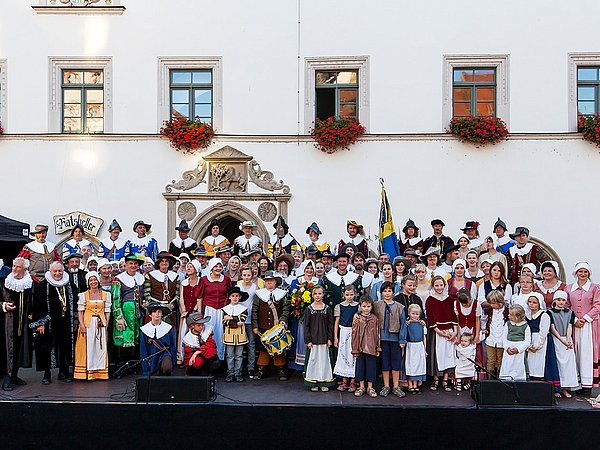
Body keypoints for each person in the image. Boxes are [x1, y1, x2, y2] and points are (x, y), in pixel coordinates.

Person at [30, 261, 75, 384]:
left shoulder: (68, 284)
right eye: (55, 271)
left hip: (65, 321)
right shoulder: (43, 285)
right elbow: (37, 305)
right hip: (49, 322)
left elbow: (76, 302)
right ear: (50, 272)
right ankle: (47, 374)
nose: (57, 273)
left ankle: (63, 372)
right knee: (47, 348)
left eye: (60, 271)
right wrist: (40, 323)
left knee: (65, 347)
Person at [565, 261, 600, 395]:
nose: (583, 274)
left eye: (585, 272)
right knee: (575, 353)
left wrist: (585, 318)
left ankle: (587, 384)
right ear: (576, 273)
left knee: (587, 353)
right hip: (574, 325)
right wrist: (574, 320)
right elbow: (566, 306)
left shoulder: (595, 288)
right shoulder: (568, 288)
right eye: (580, 271)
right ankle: (576, 382)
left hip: (589, 325)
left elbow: (597, 305)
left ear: (589, 273)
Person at [0, 257, 33, 391]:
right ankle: (6, 377)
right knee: (8, 349)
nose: (14, 269)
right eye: (13, 266)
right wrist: (3, 305)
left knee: (20, 348)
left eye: (18, 267)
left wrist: (32, 312)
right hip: (5, 323)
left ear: (24, 269)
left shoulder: (30, 283)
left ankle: (14, 375)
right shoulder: (4, 282)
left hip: (23, 322)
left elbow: (34, 301)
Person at [251, 270, 290, 381]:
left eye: (271, 280)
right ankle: (262, 369)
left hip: (277, 327)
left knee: (278, 348)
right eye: (267, 280)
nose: (269, 283)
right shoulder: (259, 294)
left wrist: (283, 320)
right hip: (263, 326)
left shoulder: (282, 294)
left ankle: (280, 369)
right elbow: (254, 311)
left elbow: (286, 309)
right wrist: (255, 326)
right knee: (263, 349)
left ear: (275, 282)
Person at [73, 272, 111, 380]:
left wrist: (106, 325)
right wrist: (82, 325)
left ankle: (99, 372)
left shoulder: (105, 294)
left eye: (95, 280)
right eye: (91, 280)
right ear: (88, 282)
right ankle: (87, 372)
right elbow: (80, 311)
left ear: (98, 281)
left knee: (100, 348)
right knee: (88, 348)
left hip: (100, 324)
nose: (93, 282)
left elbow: (107, 311)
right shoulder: (83, 295)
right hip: (87, 324)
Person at [373, 281, 407, 398]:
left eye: (389, 291)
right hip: (382, 338)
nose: (387, 293)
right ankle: (386, 386)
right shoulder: (377, 305)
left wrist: (402, 339)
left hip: (395, 338)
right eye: (385, 291)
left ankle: (396, 386)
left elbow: (403, 324)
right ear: (381, 292)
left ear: (393, 292)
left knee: (396, 363)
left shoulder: (399, 307)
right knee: (385, 363)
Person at [113, 254, 145, 370]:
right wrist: (118, 316)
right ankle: (123, 364)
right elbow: (116, 298)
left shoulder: (141, 278)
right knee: (126, 336)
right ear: (126, 265)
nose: (133, 266)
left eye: (135, 264)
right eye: (131, 263)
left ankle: (135, 364)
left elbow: (144, 294)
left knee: (137, 337)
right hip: (126, 312)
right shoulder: (119, 279)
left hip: (139, 311)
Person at [425, 276, 457, 391]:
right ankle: (435, 379)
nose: (439, 287)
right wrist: (439, 331)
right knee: (436, 355)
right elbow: (430, 317)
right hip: (437, 332)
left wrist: (455, 331)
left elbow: (453, 315)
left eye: (441, 285)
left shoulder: (449, 299)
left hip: (449, 331)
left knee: (448, 355)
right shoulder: (430, 299)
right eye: (436, 285)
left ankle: (445, 379)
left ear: (444, 285)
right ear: (433, 286)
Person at [303, 285, 336, 391]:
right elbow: (306, 326)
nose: (318, 296)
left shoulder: (327, 309)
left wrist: (330, 338)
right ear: (312, 295)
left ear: (323, 295)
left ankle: (324, 382)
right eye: (315, 293)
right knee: (314, 361)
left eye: (320, 293)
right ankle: (314, 382)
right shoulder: (309, 309)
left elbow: (330, 325)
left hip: (324, 340)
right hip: (313, 341)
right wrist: (308, 340)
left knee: (324, 361)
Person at [197, 257, 231, 361]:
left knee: (221, 333)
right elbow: (199, 297)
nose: (218, 268)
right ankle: (209, 357)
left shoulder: (226, 279)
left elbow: (230, 295)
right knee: (209, 333)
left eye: (220, 266)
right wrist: (199, 314)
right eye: (216, 266)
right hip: (209, 310)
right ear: (211, 267)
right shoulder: (204, 279)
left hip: (222, 310)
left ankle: (220, 358)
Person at [548, 291, 579, 397]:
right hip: (557, 340)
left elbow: (570, 326)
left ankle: (565, 388)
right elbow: (552, 328)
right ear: (554, 300)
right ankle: (557, 388)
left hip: (567, 340)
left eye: (563, 300)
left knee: (568, 365)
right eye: (559, 300)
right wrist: (563, 341)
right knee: (558, 364)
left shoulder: (570, 312)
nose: (561, 302)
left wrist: (568, 340)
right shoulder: (550, 312)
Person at [351, 296, 380, 398]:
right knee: (360, 367)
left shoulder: (375, 319)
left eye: (368, 306)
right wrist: (354, 348)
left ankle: (370, 387)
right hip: (360, 346)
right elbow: (354, 333)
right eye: (364, 306)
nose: (366, 308)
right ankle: (361, 386)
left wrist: (378, 347)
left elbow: (377, 334)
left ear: (371, 307)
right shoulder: (357, 318)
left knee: (371, 367)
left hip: (371, 347)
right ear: (360, 307)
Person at [140, 302, 177, 376]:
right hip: (152, 356)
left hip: (165, 354)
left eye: (159, 312)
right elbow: (143, 350)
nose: (157, 314)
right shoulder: (144, 330)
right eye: (154, 312)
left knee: (167, 368)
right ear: (150, 314)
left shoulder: (168, 328)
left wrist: (172, 362)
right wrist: (146, 370)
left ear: (162, 314)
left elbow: (173, 346)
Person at [333, 285, 359, 392]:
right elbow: (336, 322)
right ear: (343, 295)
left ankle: (353, 381)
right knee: (343, 354)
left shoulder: (358, 306)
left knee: (353, 355)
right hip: (343, 332)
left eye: (351, 294)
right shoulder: (340, 306)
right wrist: (335, 337)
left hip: (354, 332)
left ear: (355, 294)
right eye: (347, 295)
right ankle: (344, 380)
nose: (349, 297)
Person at [144, 252, 180, 326]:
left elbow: (178, 294)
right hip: (154, 310)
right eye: (162, 261)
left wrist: (171, 305)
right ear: (158, 263)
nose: (164, 263)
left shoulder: (176, 277)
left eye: (166, 261)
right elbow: (146, 294)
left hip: (170, 310)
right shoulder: (150, 276)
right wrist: (158, 305)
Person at [222, 286, 249, 383]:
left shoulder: (243, 309)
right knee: (230, 356)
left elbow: (242, 321)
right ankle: (230, 373)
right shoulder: (225, 309)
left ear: (240, 297)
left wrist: (231, 318)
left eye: (237, 296)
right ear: (229, 297)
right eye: (232, 296)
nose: (235, 298)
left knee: (239, 355)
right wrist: (235, 321)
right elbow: (225, 322)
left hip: (240, 335)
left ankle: (238, 373)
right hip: (229, 335)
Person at [177, 260, 202, 364]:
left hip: (195, 311)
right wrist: (184, 311)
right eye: (188, 266)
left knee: (196, 333)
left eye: (191, 267)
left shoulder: (200, 281)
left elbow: (200, 296)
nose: (188, 268)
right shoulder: (184, 282)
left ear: (196, 269)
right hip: (185, 311)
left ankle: (195, 357)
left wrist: (194, 310)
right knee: (183, 333)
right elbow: (181, 298)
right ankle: (181, 356)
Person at [499, 305, 531, 381]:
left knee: (518, 366)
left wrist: (518, 349)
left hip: (519, 349)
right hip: (509, 347)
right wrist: (507, 348)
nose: (508, 315)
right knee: (507, 365)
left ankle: (518, 380)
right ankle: (506, 379)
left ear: (518, 316)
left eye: (511, 314)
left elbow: (527, 340)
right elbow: (504, 337)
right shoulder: (508, 324)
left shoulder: (525, 326)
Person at [481, 290, 509, 377]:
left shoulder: (507, 311)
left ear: (500, 302)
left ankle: (500, 378)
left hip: (502, 340)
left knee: (501, 360)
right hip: (491, 339)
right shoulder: (489, 310)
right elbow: (484, 321)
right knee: (490, 360)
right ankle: (490, 380)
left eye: (493, 303)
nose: (491, 305)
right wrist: (484, 330)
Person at [525, 292, 552, 381]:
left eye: (534, 302)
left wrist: (537, 345)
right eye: (530, 302)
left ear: (539, 303)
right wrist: (528, 345)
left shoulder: (544, 315)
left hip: (541, 341)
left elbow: (543, 332)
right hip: (530, 339)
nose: (531, 304)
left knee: (540, 363)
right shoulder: (527, 316)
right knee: (531, 364)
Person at [238, 266, 258, 377]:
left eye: (248, 275)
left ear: (252, 275)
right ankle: (239, 368)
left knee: (251, 344)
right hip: (239, 319)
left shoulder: (255, 287)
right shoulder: (238, 286)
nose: (246, 277)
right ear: (241, 275)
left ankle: (251, 367)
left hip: (250, 318)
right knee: (240, 344)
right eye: (244, 275)